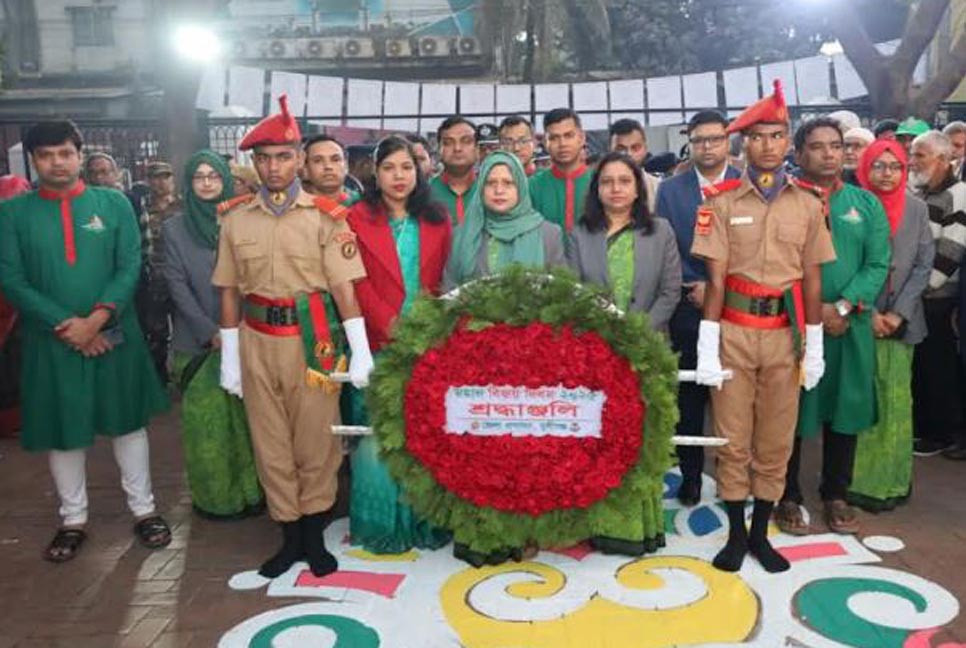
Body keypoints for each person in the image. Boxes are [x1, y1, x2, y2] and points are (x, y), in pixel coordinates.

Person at [212, 95, 375, 578]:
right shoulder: (235, 218)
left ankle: (314, 537)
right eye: (264, 158)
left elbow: (344, 288)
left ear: (300, 159)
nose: (274, 166)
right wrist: (230, 359)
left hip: (314, 343)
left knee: (315, 444)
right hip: (258, 342)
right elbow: (228, 291)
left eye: (284, 156)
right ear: (253, 163)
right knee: (270, 442)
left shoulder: (327, 217)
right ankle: (288, 538)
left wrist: (361, 352)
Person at [0, 120, 171, 562]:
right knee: (64, 431)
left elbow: (130, 266)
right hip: (50, 337)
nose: (57, 162)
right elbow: (11, 279)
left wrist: (96, 320)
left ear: (79, 155)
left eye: (65, 153)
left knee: (127, 423)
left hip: (115, 332)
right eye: (46, 155)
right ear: (34, 161)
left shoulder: (113, 204)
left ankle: (145, 510)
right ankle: (72, 519)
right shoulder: (13, 214)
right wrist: (67, 325)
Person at [690, 80, 836, 573]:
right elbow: (714, 279)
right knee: (733, 439)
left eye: (776, 136)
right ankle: (734, 534)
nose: (767, 145)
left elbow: (813, 278)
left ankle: (761, 533)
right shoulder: (721, 202)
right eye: (757, 137)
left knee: (776, 440)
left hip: (784, 338)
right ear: (743, 144)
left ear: (787, 140)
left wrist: (813, 345)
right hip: (733, 333)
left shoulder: (810, 203)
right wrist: (707, 347)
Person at [775, 118, 891, 537]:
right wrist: (808, 313)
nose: (828, 153)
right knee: (792, 410)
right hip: (794, 326)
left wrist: (842, 307)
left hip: (849, 324)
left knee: (846, 406)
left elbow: (877, 263)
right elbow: (775, 263)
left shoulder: (866, 203)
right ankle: (786, 495)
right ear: (800, 153)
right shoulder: (783, 201)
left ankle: (835, 492)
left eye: (836, 145)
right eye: (817, 146)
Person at [346, 135, 452, 553]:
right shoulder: (357, 217)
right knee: (378, 438)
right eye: (389, 168)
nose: (398, 176)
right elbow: (355, 280)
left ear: (419, 170)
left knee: (425, 435)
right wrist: (390, 327)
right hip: (377, 342)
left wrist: (426, 328)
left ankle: (426, 521)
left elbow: (443, 279)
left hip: (428, 343)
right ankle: (382, 525)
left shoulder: (437, 218)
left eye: (406, 167)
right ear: (376, 171)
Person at [162, 149, 263, 519]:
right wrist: (212, 332)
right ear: (189, 184)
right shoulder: (174, 228)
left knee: (246, 423)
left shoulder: (243, 220)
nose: (206, 183)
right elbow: (176, 284)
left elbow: (255, 277)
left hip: (247, 334)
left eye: (214, 176)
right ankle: (216, 501)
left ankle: (253, 494)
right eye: (198, 177)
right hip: (197, 343)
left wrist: (238, 329)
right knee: (208, 429)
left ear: (225, 180)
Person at [655, 110, 742, 506]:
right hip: (690, 302)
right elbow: (665, 245)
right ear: (690, 142)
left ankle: (734, 474)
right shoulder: (671, 190)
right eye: (699, 139)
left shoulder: (748, 183)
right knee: (690, 393)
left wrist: (722, 287)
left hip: (740, 303)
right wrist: (696, 285)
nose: (707, 146)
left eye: (715, 138)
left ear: (728, 141)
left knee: (735, 392)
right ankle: (691, 474)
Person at [848, 139, 934, 510]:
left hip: (902, 323)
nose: (886, 174)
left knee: (897, 404)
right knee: (859, 402)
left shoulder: (917, 209)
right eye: (879, 166)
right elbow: (843, 262)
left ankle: (894, 482)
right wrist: (866, 313)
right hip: (857, 320)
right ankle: (857, 482)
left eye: (895, 166)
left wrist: (898, 313)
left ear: (905, 170)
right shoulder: (850, 205)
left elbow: (922, 264)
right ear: (866, 168)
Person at [568, 152, 681, 331]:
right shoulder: (579, 235)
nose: (616, 189)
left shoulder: (661, 231)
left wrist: (640, 330)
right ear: (596, 189)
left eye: (625, 181)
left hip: (650, 342)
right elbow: (574, 291)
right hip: (597, 340)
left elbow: (670, 291)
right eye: (607, 182)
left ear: (637, 189)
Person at [907, 131, 966, 458]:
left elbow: (950, 251)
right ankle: (925, 427)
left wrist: (921, 288)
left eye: (921, 155)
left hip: (938, 297)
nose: (913, 161)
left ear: (944, 160)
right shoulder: (921, 192)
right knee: (923, 366)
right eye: (913, 155)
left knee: (938, 367)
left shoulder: (959, 194)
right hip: (917, 294)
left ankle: (939, 432)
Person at [445, 150, 565, 288]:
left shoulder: (549, 235)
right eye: (490, 183)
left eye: (508, 183)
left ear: (520, 187)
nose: (499, 191)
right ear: (481, 188)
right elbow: (450, 290)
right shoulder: (463, 235)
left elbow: (560, 293)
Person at [135, 161, 180, 384]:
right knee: (157, 332)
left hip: (181, 276)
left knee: (185, 327)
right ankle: (160, 378)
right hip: (155, 278)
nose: (161, 182)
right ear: (149, 181)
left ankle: (185, 373)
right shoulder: (141, 207)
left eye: (165, 177)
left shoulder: (183, 207)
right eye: (155, 177)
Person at [529, 108, 593, 236]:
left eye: (568, 136)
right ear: (545, 143)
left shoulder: (600, 182)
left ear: (581, 138)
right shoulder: (532, 186)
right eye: (554, 138)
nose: (562, 144)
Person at [430, 116, 479, 225]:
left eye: (466, 141)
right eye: (448, 142)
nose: (457, 148)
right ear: (439, 150)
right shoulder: (424, 192)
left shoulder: (489, 190)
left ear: (477, 149)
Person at [608, 118, 661, 213]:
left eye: (635, 148)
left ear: (645, 149)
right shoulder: (598, 188)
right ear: (610, 150)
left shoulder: (659, 188)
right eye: (621, 149)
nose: (629, 154)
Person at [302, 134, 360, 205]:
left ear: (346, 166)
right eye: (318, 161)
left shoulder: (363, 205)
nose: (328, 166)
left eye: (335, 160)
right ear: (306, 169)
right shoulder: (292, 207)